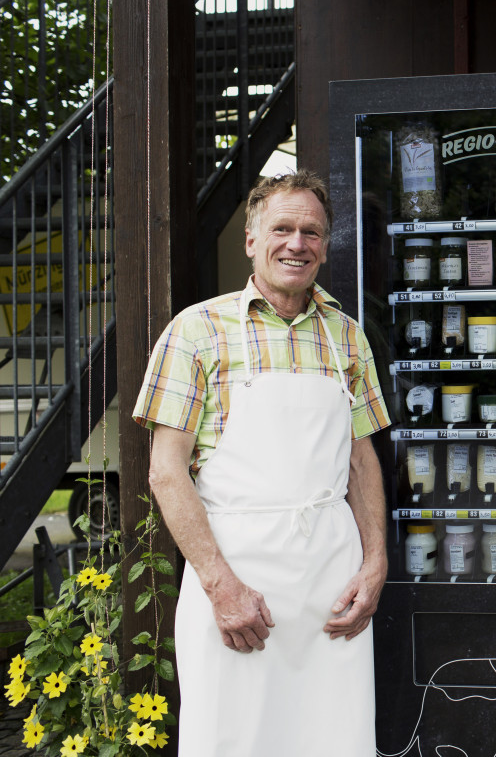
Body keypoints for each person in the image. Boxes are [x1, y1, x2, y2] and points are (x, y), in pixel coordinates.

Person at [133, 171, 390, 756]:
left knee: (336, 739)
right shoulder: (194, 332)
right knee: (235, 738)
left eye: (311, 232)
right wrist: (222, 587)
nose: (297, 243)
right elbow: (165, 472)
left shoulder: (347, 337)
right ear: (251, 239)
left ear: (325, 245)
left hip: (333, 587)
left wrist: (374, 566)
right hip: (237, 579)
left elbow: (360, 458)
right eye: (282, 228)